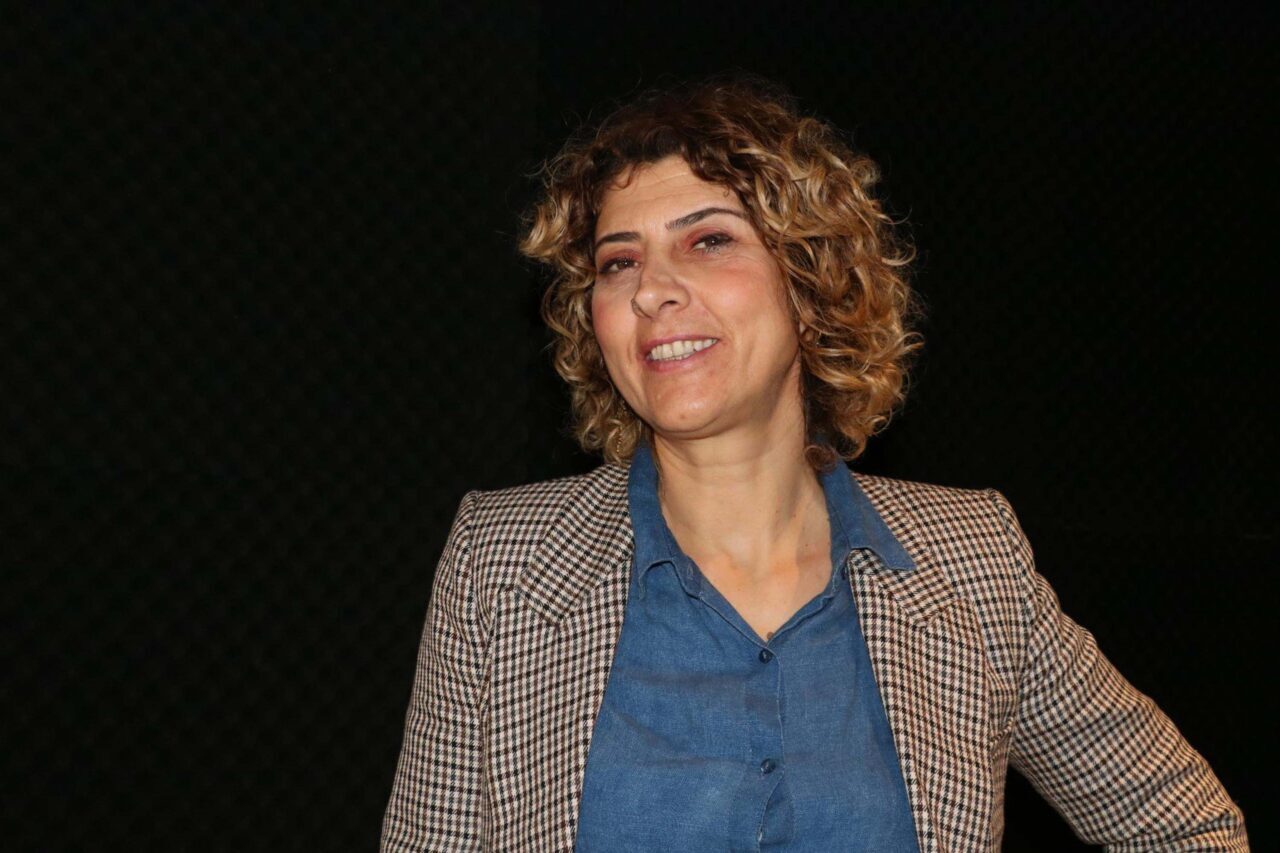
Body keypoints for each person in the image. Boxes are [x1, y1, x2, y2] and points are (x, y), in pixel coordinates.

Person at [380, 73, 1247, 851]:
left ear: (809, 279)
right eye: (620, 262)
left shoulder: (974, 562)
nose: (651, 290)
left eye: (708, 241)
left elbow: (1183, 821)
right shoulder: (503, 561)